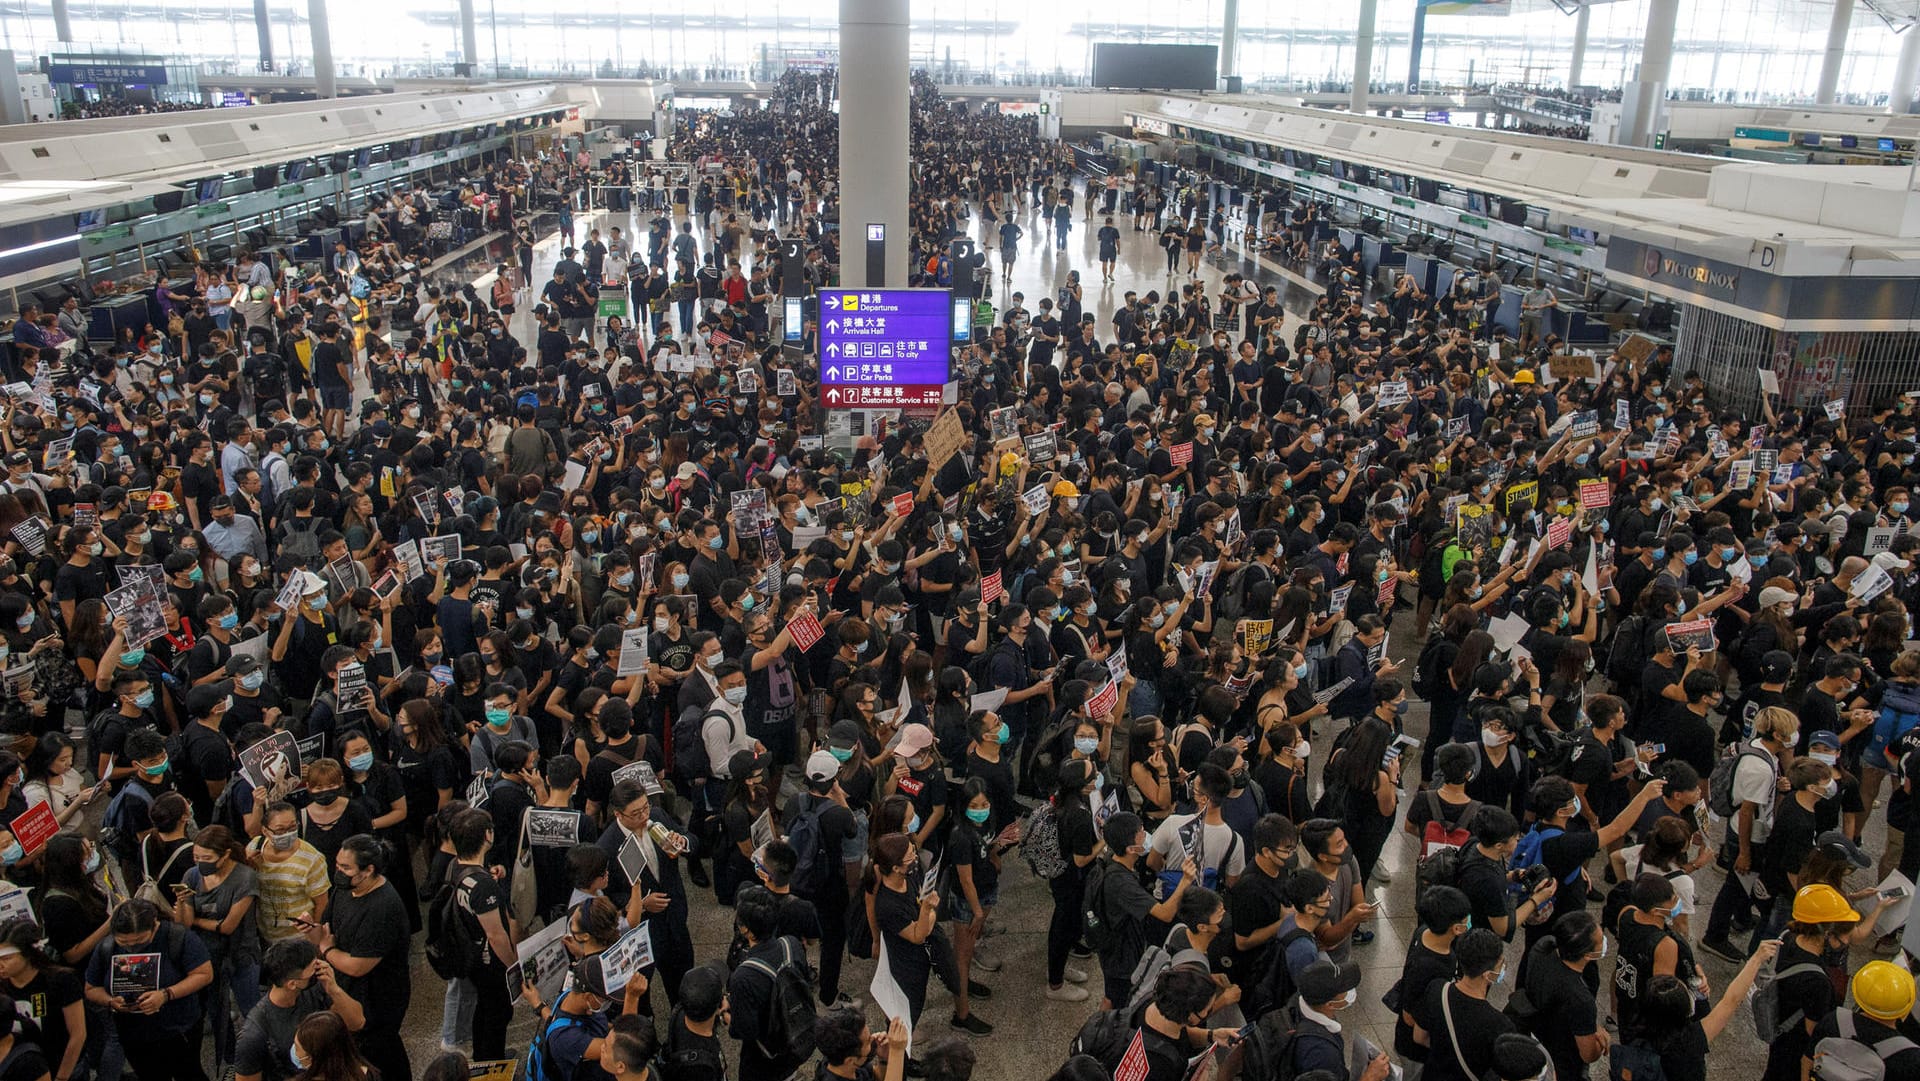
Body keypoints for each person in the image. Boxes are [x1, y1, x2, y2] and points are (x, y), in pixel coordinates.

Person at [81, 899, 214, 1081]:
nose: (132, 948)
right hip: (133, 1034)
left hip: (177, 1027)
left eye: (139, 942)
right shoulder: (106, 948)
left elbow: (204, 974)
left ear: (154, 926)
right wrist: (110, 1001)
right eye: (125, 943)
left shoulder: (177, 938)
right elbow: (90, 988)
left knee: (189, 1074)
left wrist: (166, 994)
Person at [234, 939, 367, 1081]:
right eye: (313, 969)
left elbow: (357, 1022)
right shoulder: (254, 1034)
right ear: (292, 984)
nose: (319, 970)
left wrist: (334, 989)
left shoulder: (316, 988)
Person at [1414, 928, 1513, 1081]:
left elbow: (1419, 1037)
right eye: (1500, 964)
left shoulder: (1437, 989)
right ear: (1487, 975)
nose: (1502, 968)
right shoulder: (1500, 1024)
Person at [1523, 910, 1609, 1081]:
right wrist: (1599, 1040)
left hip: (1537, 1031)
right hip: (1563, 1059)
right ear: (1587, 954)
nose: (1605, 942)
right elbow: (1588, 1055)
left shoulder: (1544, 946)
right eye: (1600, 941)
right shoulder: (1580, 999)